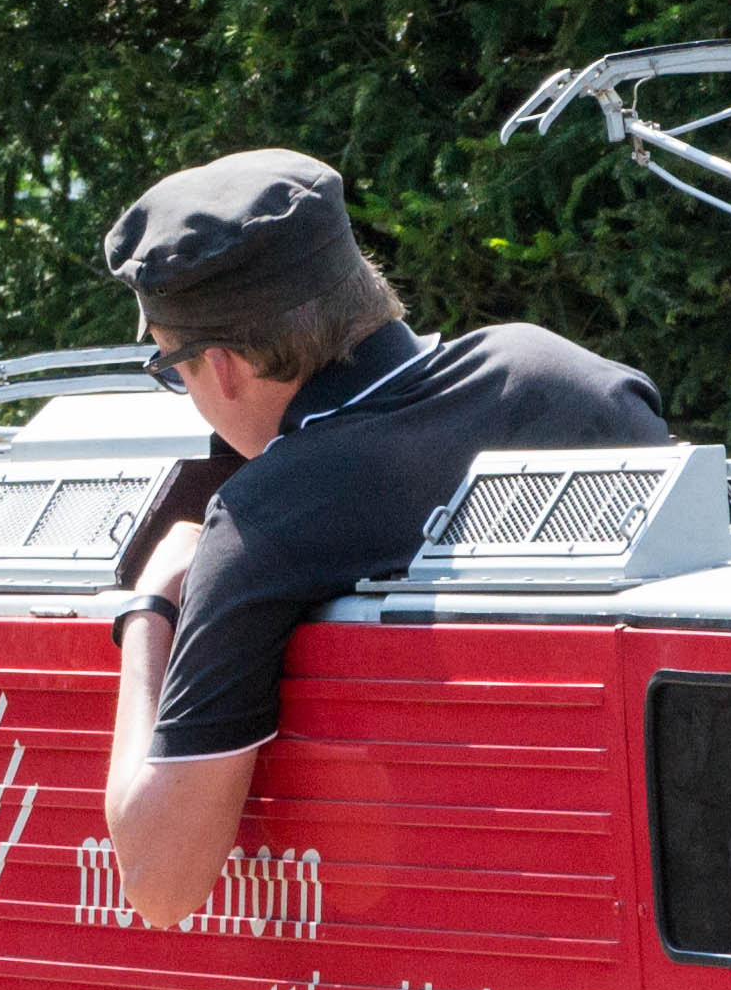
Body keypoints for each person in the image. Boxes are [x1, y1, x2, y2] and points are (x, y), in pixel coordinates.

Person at [97, 147, 667, 928]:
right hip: (652, 879)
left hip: (487, 927)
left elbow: (162, 885)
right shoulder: (570, 379)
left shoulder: (266, 519)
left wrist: (149, 609)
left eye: (174, 369)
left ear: (221, 366)